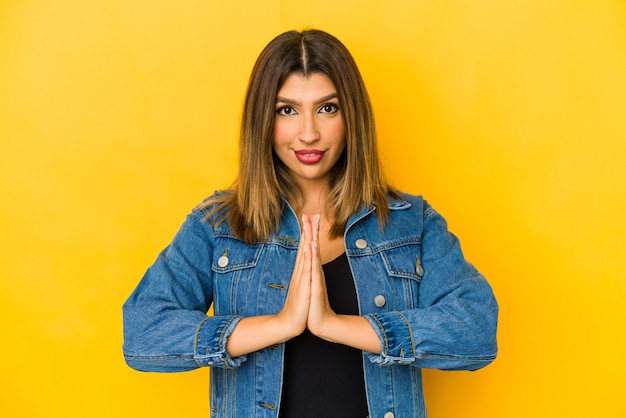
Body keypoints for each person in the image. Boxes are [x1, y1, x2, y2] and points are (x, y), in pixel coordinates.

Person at [122, 29, 498, 418]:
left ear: (352, 116)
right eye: (287, 110)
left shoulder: (409, 222)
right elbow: (142, 333)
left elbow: (476, 329)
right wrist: (280, 325)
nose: (308, 133)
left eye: (327, 108)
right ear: (262, 121)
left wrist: (334, 325)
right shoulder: (218, 225)